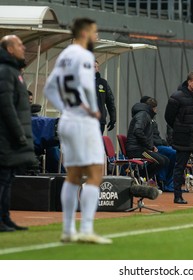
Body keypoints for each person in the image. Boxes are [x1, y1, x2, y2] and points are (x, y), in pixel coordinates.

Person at [44, 18, 112, 244]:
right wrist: (90, 109)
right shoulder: (84, 56)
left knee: (72, 176)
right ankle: (86, 229)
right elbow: (85, 85)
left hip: (67, 121)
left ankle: (67, 229)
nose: (97, 36)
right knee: (94, 174)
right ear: (84, 33)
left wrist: (66, 108)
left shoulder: (64, 56)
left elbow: (49, 88)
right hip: (84, 123)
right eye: (95, 32)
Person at [0, 35, 35, 232]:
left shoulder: (13, 71)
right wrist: (18, 134)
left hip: (11, 136)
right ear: (10, 49)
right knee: (3, 178)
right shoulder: (5, 71)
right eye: (20, 45)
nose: (24, 47)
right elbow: (6, 107)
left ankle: (5, 218)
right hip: (6, 136)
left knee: (9, 177)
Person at [165, 71, 193, 204]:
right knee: (179, 168)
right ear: (189, 82)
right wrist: (181, 128)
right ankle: (177, 196)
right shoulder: (177, 97)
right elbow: (169, 117)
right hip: (183, 139)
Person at [126, 98, 168, 180]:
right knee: (161, 161)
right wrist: (150, 147)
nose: (156, 112)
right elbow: (138, 131)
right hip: (136, 150)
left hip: (139, 148)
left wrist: (150, 146)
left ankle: (141, 177)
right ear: (153, 108)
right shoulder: (143, 115)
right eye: (155, 109)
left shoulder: (143, 114)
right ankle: (140, 177)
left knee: (165, 160)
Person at [140, 96, 176, 192]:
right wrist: (156, 144)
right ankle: (164, 181)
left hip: (158, 145)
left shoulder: (152, 120)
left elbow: (156, 135)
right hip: (151, 147)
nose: (156, 111)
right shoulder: (144, 118)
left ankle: (167, 182)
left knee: (171, 154)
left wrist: (163, 142)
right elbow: (147, 137)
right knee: (173, 154)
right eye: (154, 108)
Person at [95, 60, 116, 133]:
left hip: (100, 120)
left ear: (98, 68)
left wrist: (113, 118)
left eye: (95, 67)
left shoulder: (103, 83)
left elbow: (110, 101)